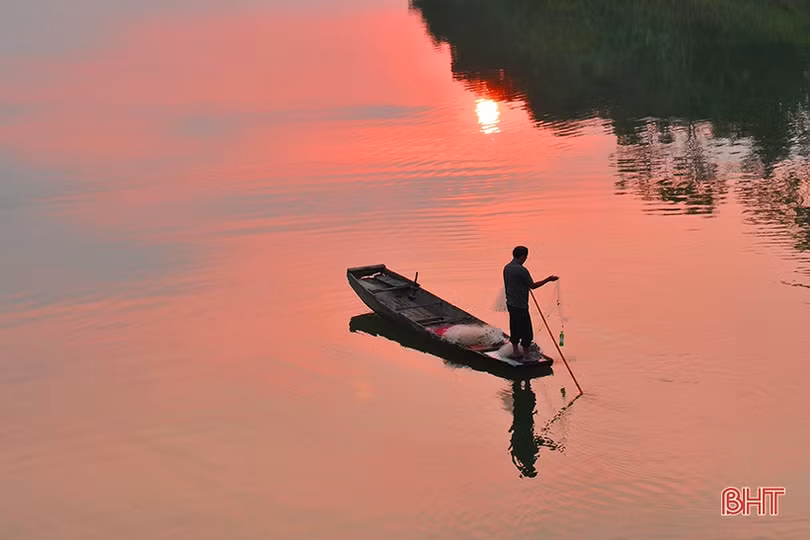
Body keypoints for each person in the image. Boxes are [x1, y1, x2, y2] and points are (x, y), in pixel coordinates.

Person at [503, 245, 558, 360]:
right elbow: (532, 286)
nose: (526, 258)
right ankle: (526, 356)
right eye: (526, 256)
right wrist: (548, 279)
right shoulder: (522, 270)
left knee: (514, 326)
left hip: (510, 303)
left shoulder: (507, 268)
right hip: (521, 305)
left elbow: (508, 284)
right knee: (526, 331)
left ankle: (516, 351)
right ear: (523, 256)